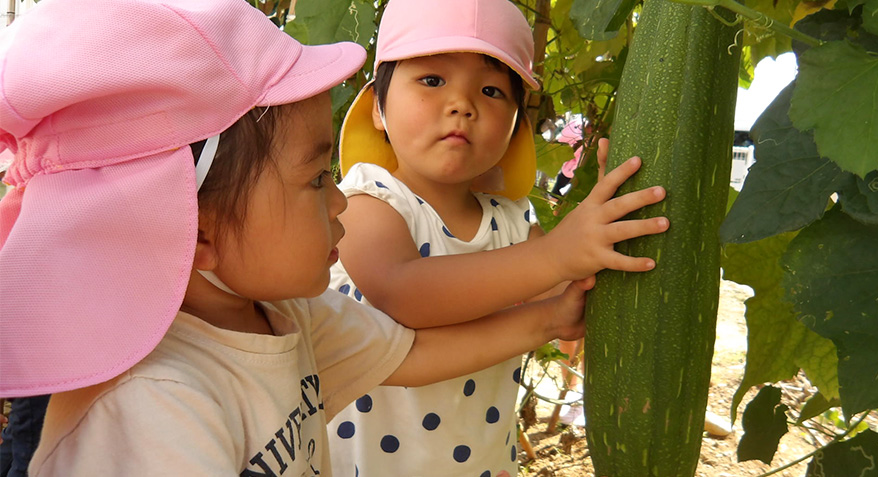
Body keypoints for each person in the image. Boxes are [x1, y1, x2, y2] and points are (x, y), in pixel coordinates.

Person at [0, 0, 605, 474]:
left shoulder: (288, 314)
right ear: (196, 227)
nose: (341, 198)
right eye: (317, 179)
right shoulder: (152, 411)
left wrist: (550, 320)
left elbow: (408, 354)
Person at [326, 0, 669, 474]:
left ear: (514, 129)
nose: (462, 104)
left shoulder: (511, 222)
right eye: (432, 80)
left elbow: (570, 296)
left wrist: (610, 230)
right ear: (378, 110)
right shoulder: (369, 201)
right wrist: (556, 256)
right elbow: (403, 293)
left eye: (491, 90)